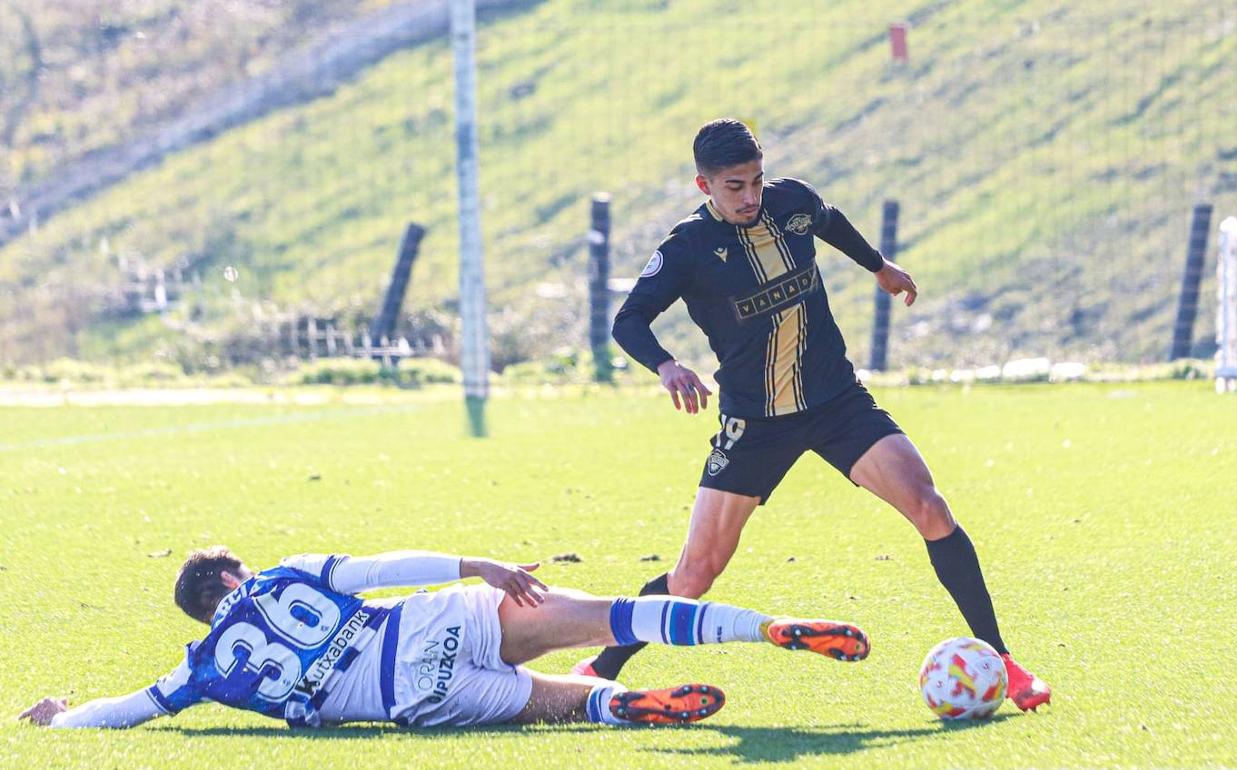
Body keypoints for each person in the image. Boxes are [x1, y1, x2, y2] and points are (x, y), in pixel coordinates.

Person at [575, 118, 1050, 712]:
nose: (750, 197)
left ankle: (1001, 658)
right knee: (694, 578)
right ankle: (598, 665)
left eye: (755, 181)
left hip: (837, 404)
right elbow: (628, 321)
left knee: (930, 508)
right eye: (733, 187)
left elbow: (828, 220)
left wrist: (878, 265)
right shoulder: (687, 249)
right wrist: (667, 365)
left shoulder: (790, 202)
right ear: (704, 186)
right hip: (756, 423)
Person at [19, 546, 869, 730]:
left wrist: (59, 717)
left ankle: (616, 705)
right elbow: (383, 567)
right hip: (436, 618)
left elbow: (128, 710)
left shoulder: (205, 667)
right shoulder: (284, 574)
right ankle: (762, 629)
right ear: (234, 581)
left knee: (560, 706)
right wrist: (483, 564)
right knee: (614, 614)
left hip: (410, 696)